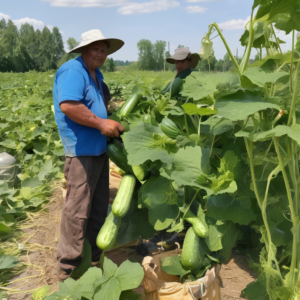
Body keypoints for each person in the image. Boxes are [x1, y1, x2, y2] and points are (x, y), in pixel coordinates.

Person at [53, 29, 124, 281]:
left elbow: (97, 104)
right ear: (84, 50)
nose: (101, 54)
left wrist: (110, 116)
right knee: (77, 209)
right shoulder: (74, 71)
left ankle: (92, 257)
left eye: (104, 50)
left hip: (98, 150)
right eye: (96, 48)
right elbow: (69, 105)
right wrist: (101, 124)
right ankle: (68, 268)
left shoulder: (95, 75)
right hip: (81, 152)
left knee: (96, 207)